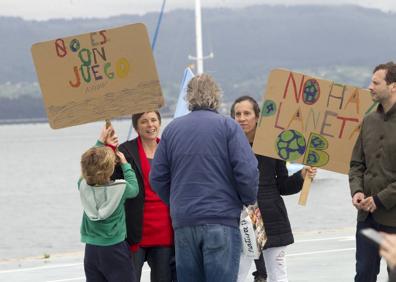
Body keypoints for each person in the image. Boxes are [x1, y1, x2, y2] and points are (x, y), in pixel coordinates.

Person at [150, 73, 259, 282]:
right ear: (216, 96)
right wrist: (246, 200)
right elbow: (247, 171)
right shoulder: (229, 127)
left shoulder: (172, 129)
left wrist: (176, 200)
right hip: (221, 219)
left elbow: (157, 177)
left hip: (184, 221)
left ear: (188, 97)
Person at [230, 95, 317, 282]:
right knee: (236, 273)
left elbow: (283, 186)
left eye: (247, 113)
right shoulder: (228, 147)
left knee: (278, 274)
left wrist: (301, 176)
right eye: (238, 114)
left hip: (272, 218)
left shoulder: (272, 146)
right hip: (241, 218)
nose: (242, 118)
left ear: (258, 117)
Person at [112, 111, 176, 282]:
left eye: (154, 120)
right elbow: (111, 180)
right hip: (134, 229)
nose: (150, 125)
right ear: (136, 127)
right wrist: (109, 149)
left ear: (160, 123)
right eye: (144, 121)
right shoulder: (125, 151)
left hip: (165, 229)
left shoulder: (170, 150)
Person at [349, 61, 396, 282]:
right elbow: (357, 164)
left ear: (393, 86)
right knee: (364, 275)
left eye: (376, 83)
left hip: (393, 220)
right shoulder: (368, 121)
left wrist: (379, 199)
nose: (370, 87)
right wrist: (357, 191)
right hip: (366, 217)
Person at [79, 125, 139, 282]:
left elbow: (90, 162)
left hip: (91, 249)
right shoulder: (120, 188)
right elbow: (135, 189)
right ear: (111, 169)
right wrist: (126, 165)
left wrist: (100, 141)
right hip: (115, 248)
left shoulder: (82, 186)